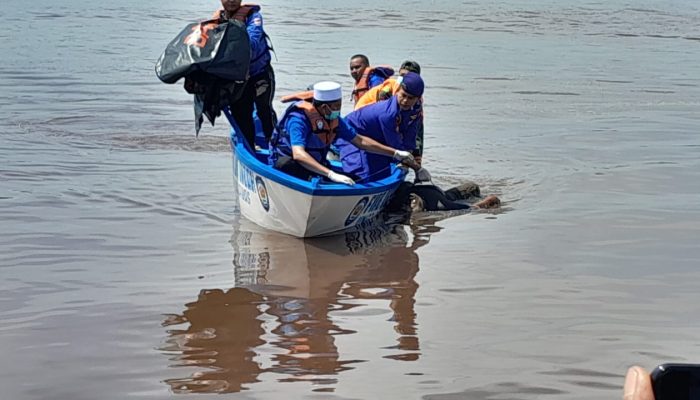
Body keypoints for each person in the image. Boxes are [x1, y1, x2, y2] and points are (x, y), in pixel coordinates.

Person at [269, 81, 415, 185]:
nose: (338, 110)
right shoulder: (298, 119)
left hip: (316, 165)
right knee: (289, 166)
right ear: (324, 106)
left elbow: (360, 141)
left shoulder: (334, 120)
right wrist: (330, 174)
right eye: (336, 106)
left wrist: (395, 153)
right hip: (288, 164)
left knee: (355, 180)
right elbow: (298, 154)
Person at [334, 72, 425, 182]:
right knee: (361, 176)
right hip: (352, 134)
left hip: (376, 137)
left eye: (410, 98)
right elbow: (394, 144)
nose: (405, 101)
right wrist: (415, 167)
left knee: (383, 174)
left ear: (418, 98)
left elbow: (410, 135)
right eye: (403, 95)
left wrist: (410, 158)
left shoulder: (416, 109)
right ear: (397, 92)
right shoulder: (388, 114)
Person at [214, 0, 276, 147]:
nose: (231, 1)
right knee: (241, 115)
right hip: (236, 78)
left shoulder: (253, 17)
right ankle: (249, 148)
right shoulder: (216, 21)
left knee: (264, 110)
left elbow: (252, 44)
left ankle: (275, 147)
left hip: (259, 74)